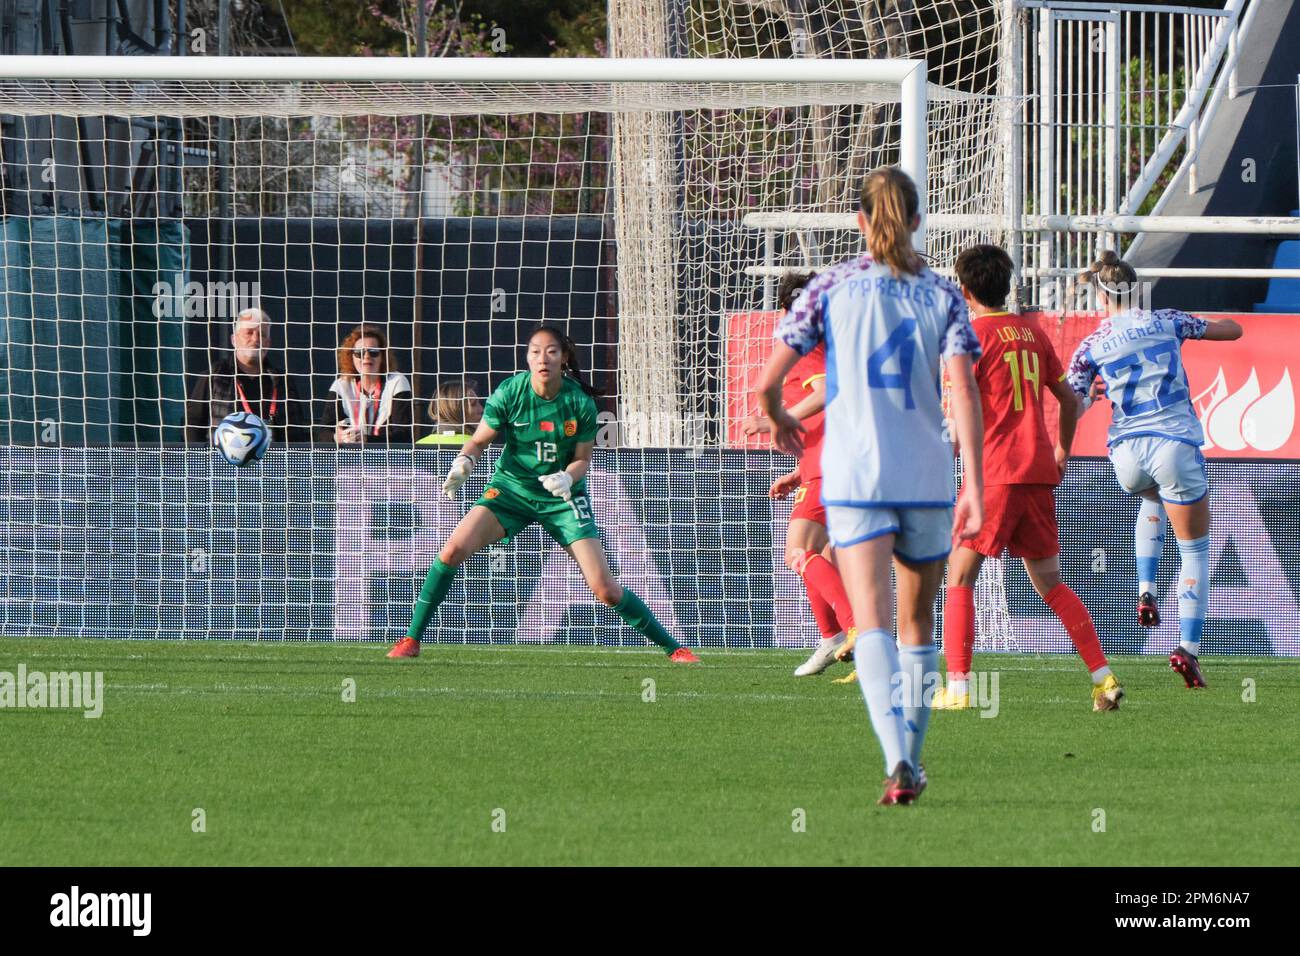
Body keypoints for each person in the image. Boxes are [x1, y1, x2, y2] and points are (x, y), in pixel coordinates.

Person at [757, 166, 985, 806]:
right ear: (917, 221)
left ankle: (896, 761)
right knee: (917, 624)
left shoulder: (829, 287)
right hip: (926, 473)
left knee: (875, 624)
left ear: (859, 221)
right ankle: (911, 754)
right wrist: (976, 480)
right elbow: (962, 387)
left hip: (856, 476)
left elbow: (767, 385)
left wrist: (778, 422)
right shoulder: (944, 293)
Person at [386, 323, 699, 663]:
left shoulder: (579, 404)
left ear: (563, 358)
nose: (542, 358)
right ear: (527, 357)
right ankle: (411, 640)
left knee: (605, 590)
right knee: (452, 551)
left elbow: (582, 460)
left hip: (563, 499)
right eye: (535, 351)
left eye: (551, 351)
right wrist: (464, 461)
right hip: (511, 490)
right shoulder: (510, 392)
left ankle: (674, 649)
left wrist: (567, 477)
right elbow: (478, 441)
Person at [932, 244, 1123, 713]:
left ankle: (957, 690)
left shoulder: (969, 339)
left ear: (964, 290)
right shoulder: (1031, 333)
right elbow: (1070, 399)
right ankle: (1103, 678)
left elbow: (960, 411)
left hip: (996, 473)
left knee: (958, 577)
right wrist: (1061, 450)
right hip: (1037, 471)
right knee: (1051, 583)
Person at [1067, 251, 1242, 689]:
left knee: (1149, 495)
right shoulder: (1168, 320)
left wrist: (1093, 399)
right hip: (1173, 441)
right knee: (1195, 550)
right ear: (1135, 286)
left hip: (1125, 452)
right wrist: (1205, 327)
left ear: (1101, 297)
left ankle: (1145, 590)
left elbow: (1073, 402)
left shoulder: (1091, 345)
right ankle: (1188, 649)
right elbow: (1232, 330)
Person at [743, 270, 857, 678]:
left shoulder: (806, 348)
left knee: (797, 552)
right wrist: (799, 470)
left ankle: (856, 629)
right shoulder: (831, 343)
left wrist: (777, 419)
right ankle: (831, 637)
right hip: (830, 464)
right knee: (822, 557)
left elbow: (826, 392)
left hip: (832, 467)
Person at [185, 307, 312, 444]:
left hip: (272, 463)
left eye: (262, 334)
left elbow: (295, 434)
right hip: (221, 461)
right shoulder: (214, 377)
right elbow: (193, 426)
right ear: (234, 340)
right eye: (249, 333)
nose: (255, 339)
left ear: (268, 343)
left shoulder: (283, 382)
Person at [317, 324, 415, 445]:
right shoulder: (342, 385)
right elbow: (322, 434)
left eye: (373, 352)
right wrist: (338, 437)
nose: (366, 357)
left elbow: (403, 436)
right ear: (351, 357)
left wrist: (367, 440)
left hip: (388, 459)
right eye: (359, 353)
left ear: (382, 357)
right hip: (349, 459)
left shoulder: (397, 382)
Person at [417, 380, 484, 445]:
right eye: (473, 404)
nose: (481, 409)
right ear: (455, 408)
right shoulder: (479, 448)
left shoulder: (417, 447)